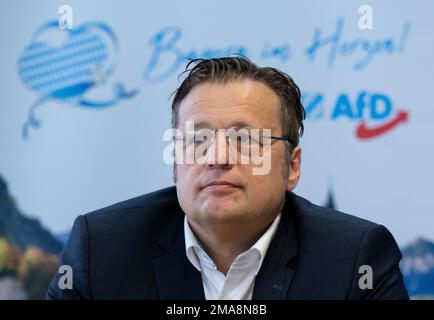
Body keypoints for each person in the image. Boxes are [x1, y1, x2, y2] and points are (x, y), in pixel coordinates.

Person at [46, 56, 408, 300]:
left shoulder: (354, 259)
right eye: (199, 139)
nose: (217, 158)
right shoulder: (101, 251)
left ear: (292, 167)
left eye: (245, 139)